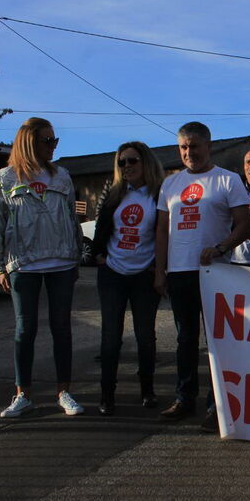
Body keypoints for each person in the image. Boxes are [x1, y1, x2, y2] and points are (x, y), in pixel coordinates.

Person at [155, 122, 250, 430]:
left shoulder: (228, 180)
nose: (189, 152)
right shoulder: (170, 184)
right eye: (183, 147)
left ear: (208, 146)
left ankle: (216, 405)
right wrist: (160, 271)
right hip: (179, 271)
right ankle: (184, 398)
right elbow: (161, 231)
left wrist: (221, 247)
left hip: (215, 273)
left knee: (216, 340)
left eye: (194, 146)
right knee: (185, 339)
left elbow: (244, 224)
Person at [0, 117, 85, 417]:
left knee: (62, 328)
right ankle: (23, 394)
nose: (53, 146)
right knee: (25, 329)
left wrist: (76, 255)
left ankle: (64, 392)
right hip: (23, 263)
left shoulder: (62, 176)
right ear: (30, 142)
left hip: (61, 261)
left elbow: (72, 218)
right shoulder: (4, 178)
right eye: (48, 140)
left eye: (55, 140)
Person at [91, 141, 165, 416]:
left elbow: (164, 232)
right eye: (122, 162)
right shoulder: (113, 192)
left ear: (146, 162)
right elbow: (101, 225)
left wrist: (158, 268)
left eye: (133, 160)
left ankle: (147, 390)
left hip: (144, 275)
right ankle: (107, 394)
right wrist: (98, 255)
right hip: (113, 273)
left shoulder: (159, 193)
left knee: (145, 336)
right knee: (111, 337)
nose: (127, 166)